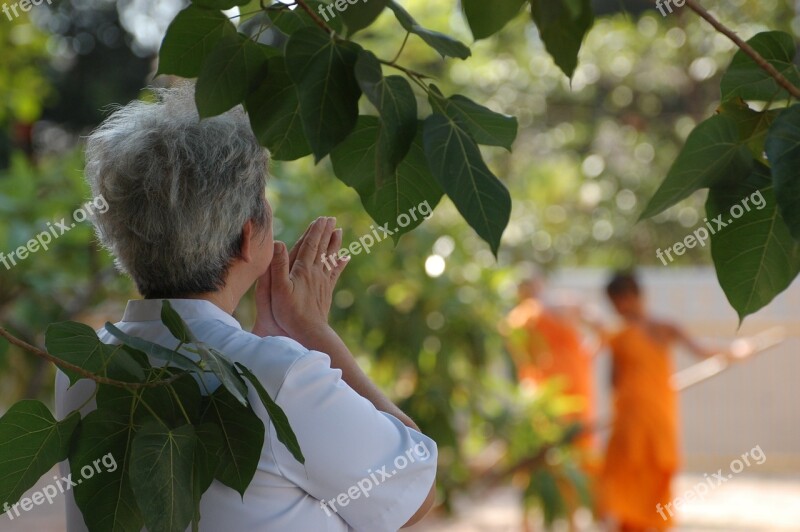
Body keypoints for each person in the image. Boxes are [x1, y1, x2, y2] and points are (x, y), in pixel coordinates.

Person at [54, 84, 437, 532]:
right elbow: (416, 493)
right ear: (246, 234)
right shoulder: (279, 377)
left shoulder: (81, 368)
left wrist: (269, 344)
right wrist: (313, 333)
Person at [598, 271, 718, 531]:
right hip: (629, 418)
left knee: (656, 469)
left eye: (617, 301)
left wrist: (735, 351)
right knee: (625, 474)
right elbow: (614, 381)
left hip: (657, 415)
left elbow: (702, 349)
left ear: (630, 297)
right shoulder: (618, 335)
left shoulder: (662, 328)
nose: (617, 309)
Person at [505, 270, 598, 451]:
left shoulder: (519, 317)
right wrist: (586, 355)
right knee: (578, 440)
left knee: (546, 443)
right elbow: (601, 327)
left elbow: (520, 358)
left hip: (543, 389)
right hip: (576, 381)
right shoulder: (565, 304)